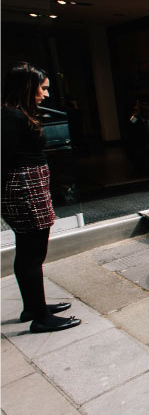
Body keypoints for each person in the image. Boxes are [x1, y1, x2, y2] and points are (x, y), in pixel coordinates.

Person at [1, 63, 81, 333]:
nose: (46, 94)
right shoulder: (12, 116)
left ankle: (35, 307)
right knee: (32, 254)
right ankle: (40, 318)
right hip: (24, 190)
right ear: (27, 86)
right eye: (43, 88)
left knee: (29, 252)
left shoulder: (16, 114)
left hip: (28, 188)